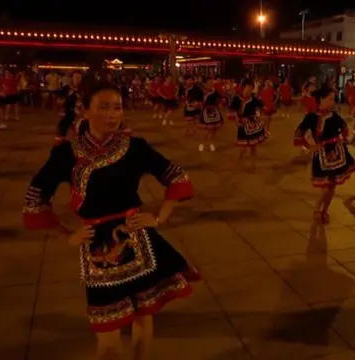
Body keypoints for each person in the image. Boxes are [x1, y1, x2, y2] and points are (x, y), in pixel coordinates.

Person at [22, 81, 200, 359]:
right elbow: (35, 195)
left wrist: (159, 217)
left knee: (143, 316)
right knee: (107, 338)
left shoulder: (135, 147)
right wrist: (65, 234)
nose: (111, 114)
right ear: (85, 110)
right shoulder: (67, 153)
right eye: (103, 107)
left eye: (116, 108)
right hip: (97, 250)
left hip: (139, 240)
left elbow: (176, 175)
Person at [294, 87, 355, 224]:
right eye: (329, 99)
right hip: (321, 154)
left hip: (337, 153)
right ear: (321, 100)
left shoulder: (335, 116)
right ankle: (317, 209)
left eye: (333, 99)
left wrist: (345, 139)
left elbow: (345, 128)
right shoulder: (311, 116)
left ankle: (324, 210)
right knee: (325, 187)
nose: (332, 102)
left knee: (332, 186)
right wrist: (310, 146)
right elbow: (299, 132)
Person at [227, 79, 268, 172]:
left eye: (251, 89)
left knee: (253, 146)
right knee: (243, 147)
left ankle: (253, 165)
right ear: (243, 88)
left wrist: (261, 115)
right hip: (242, 125)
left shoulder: (254, 99)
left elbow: (262, 107)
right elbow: (231, 111)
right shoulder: (236, 99)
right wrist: (236, 120)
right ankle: (238, 161)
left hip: (253, 125)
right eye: (247, 88)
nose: (249, 91)